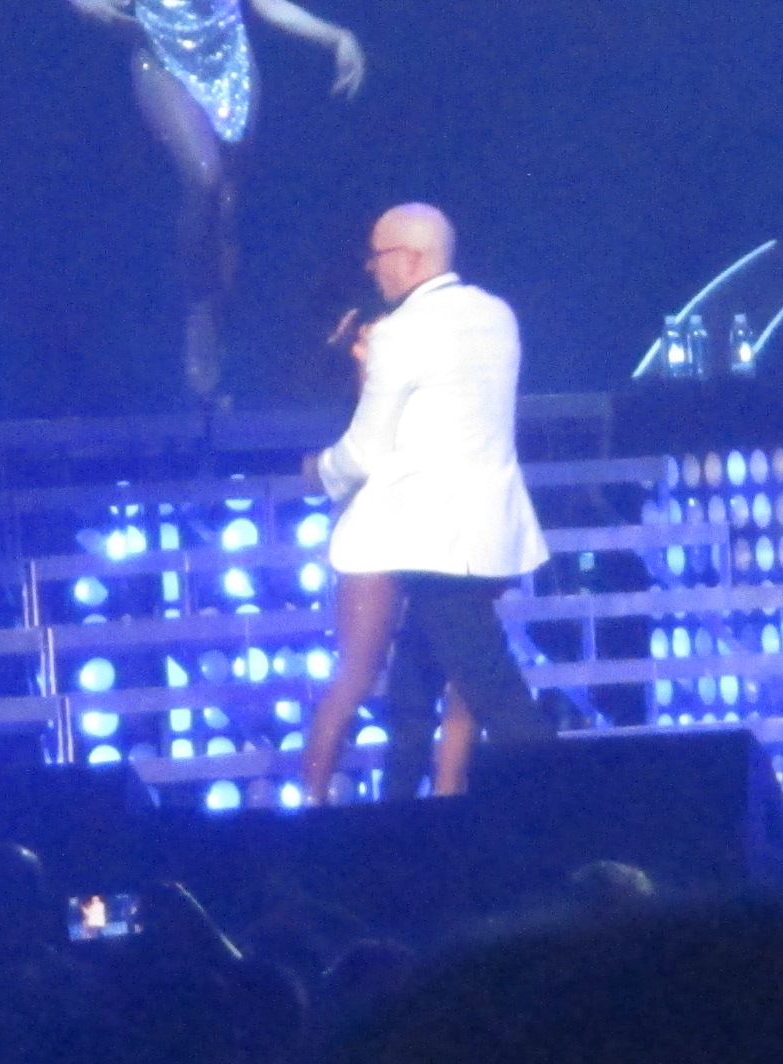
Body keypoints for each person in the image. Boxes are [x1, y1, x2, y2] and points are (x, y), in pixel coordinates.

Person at [302, 203, 554, 803]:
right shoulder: (497, 315)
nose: (372, 270)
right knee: (418, 690)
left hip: (430, 542)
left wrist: (319, 471)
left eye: (378, 256)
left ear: (413, 259)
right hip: (488, 534)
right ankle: (409, 810)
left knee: (492, 689)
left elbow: (365, 449)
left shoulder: (401, 332)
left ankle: (563, 806)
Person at [67, 0, 365, 399]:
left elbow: (268, 5)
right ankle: (198, 307)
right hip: (164, 59)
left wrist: (336, 37)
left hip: (228, 63)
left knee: (225, 208)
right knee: (204, 177)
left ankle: (221, 341)